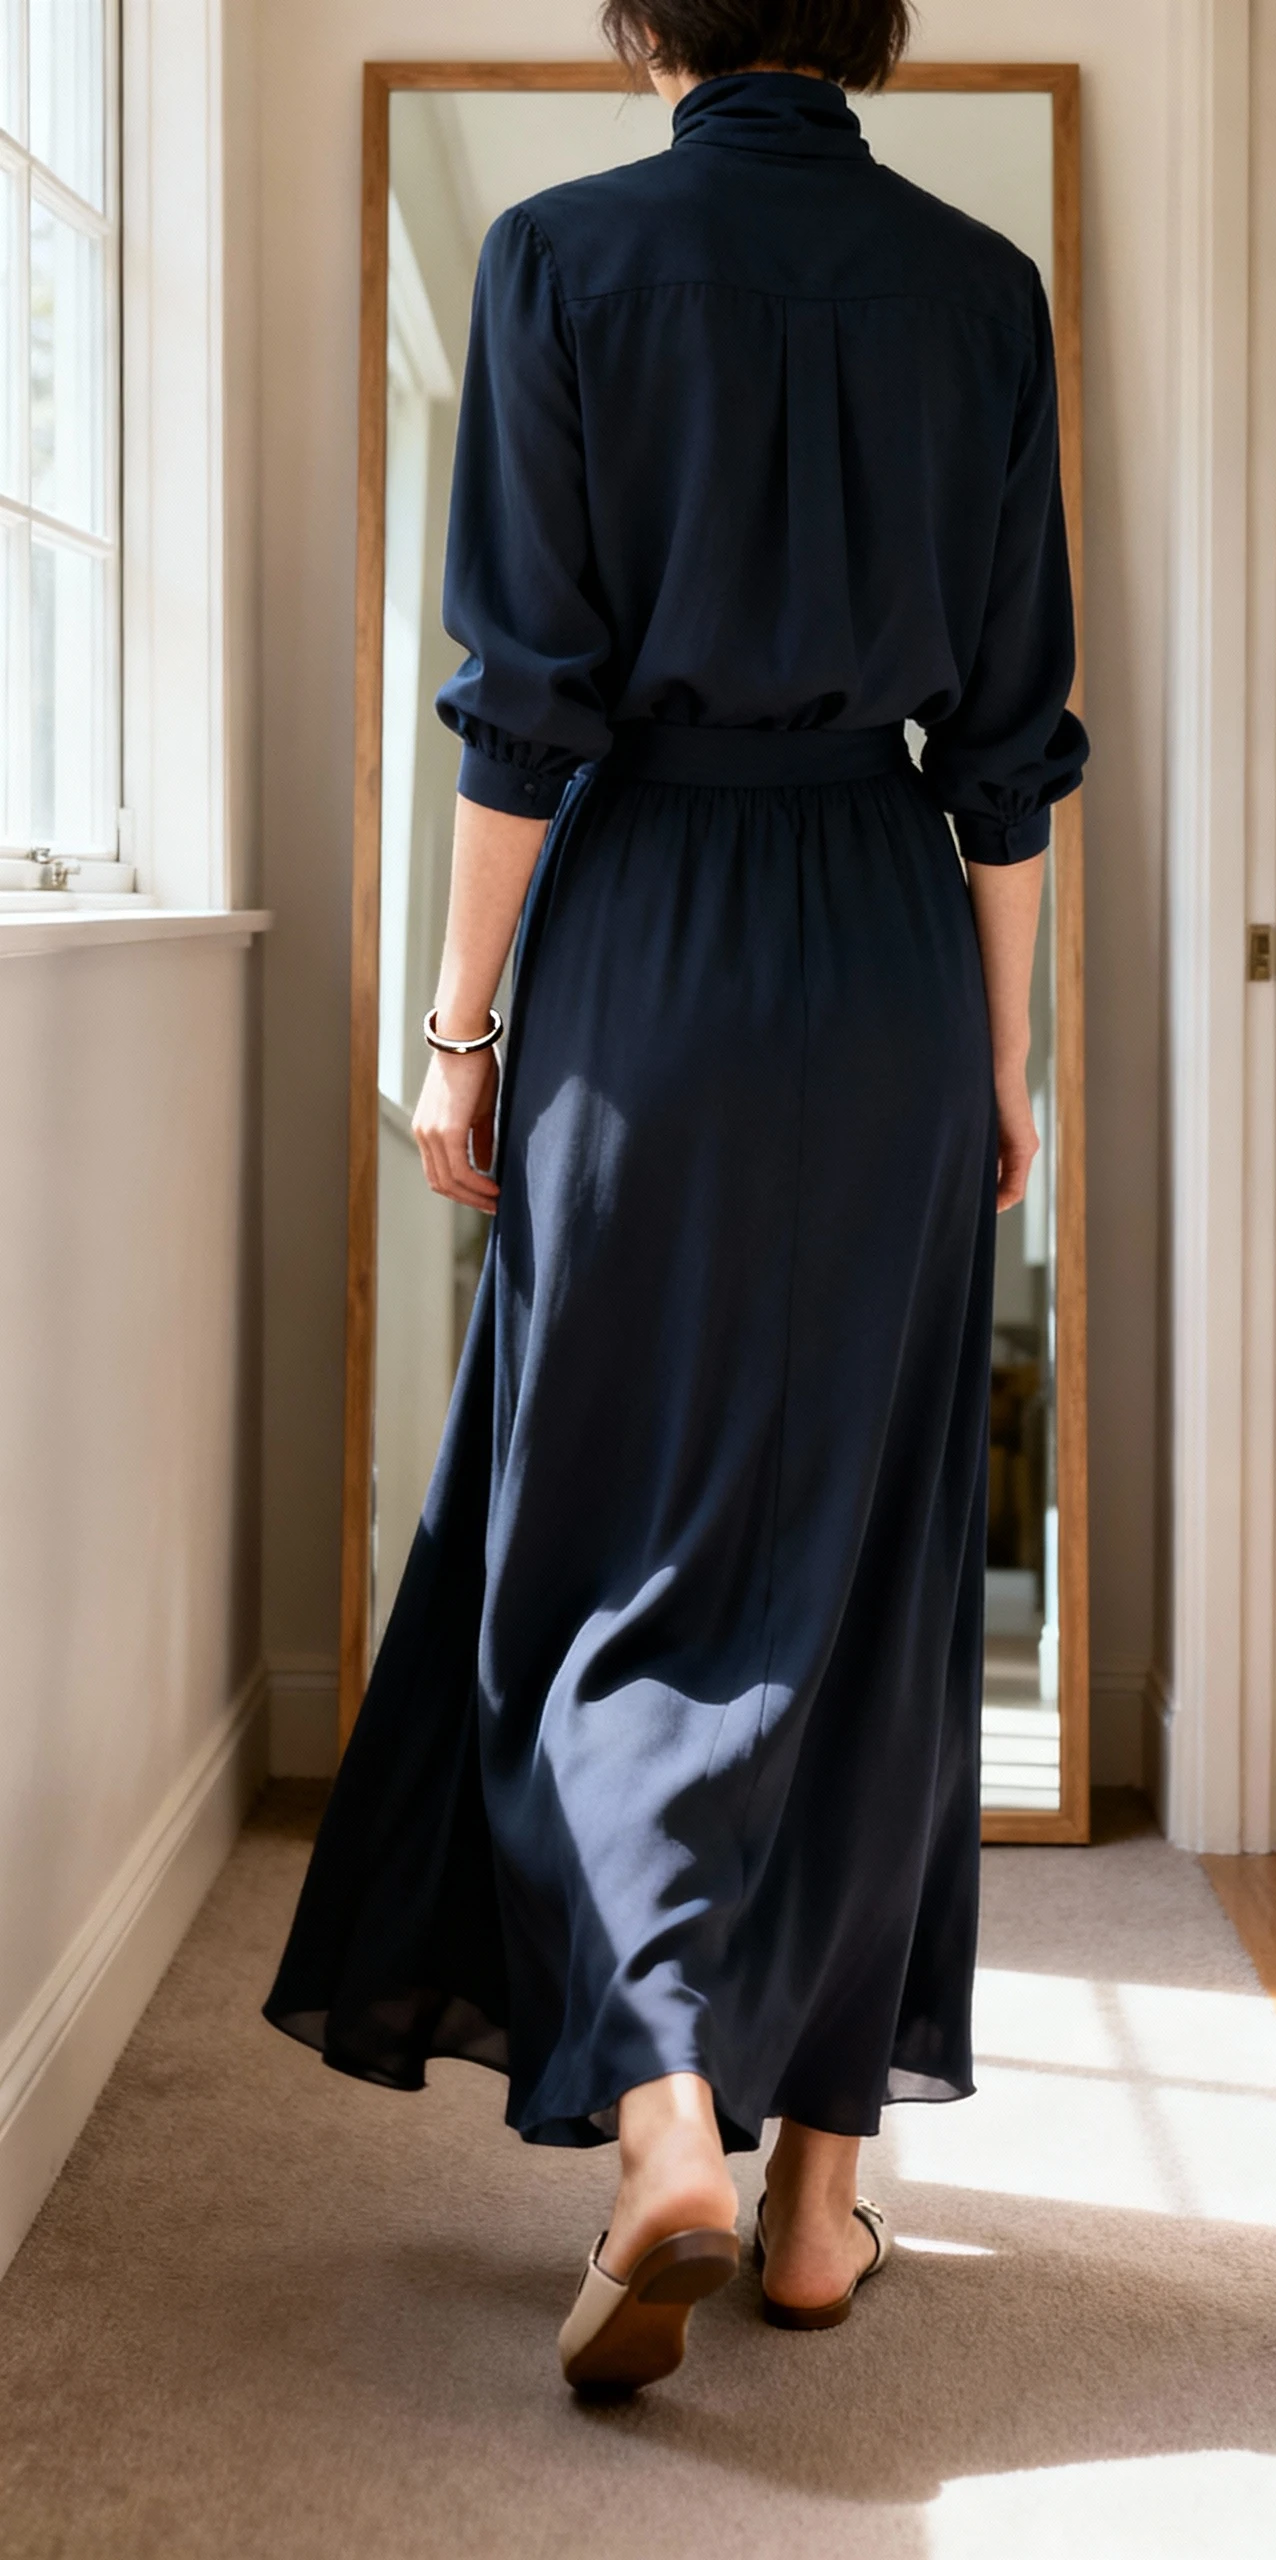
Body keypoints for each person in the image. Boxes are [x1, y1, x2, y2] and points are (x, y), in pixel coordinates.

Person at [265, 0, 1087, 2396]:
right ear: (882, 29)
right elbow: (1014, 733)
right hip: (894, 956)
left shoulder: (554, 263)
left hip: (648, 969)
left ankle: (660, 2119)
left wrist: (457, 1020)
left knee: (598, 1544)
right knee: (873, 1555)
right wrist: (1005, 1056)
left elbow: (528, 704)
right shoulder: (979, 290)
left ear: (640, 25)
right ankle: (823, 2195)